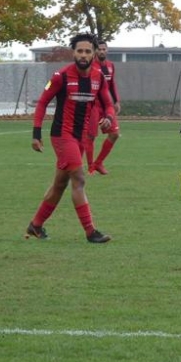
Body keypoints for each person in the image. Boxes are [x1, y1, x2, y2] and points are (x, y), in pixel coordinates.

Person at [25, 33, 115, 244]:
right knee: (79, 179)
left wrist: (109, 117)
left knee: (60, 184)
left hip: (80, 138)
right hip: (62, 136)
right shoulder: (61, 76)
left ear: (93, 54)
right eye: (79, 51)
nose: (83, 55)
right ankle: (91, 232)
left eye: (87, 51)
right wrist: (36, 134)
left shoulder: (98, 77)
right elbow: (42, 103)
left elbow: (108, 104)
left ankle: (35, 225)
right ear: (73, 53)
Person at [84, 41, 120, 175]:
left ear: (107, 50)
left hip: (106, 106)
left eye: (104, 49)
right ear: (95, 51)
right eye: (99, 49)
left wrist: (116, 101)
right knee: (91, 136)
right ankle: (90, 166)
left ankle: (98, 163)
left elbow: (111, 85)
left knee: (114, 134)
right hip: (93, 106)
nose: (102, 51)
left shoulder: (110, 66)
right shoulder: (90, 65)